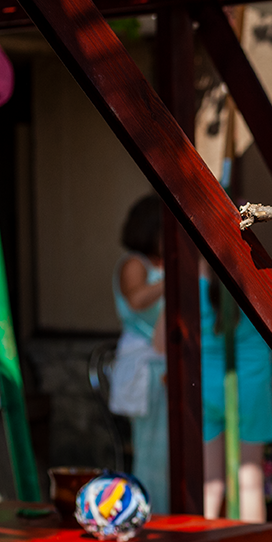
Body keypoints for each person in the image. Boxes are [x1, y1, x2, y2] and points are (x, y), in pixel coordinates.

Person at [200, 261, 272, 542]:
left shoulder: (198, 288)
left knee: (211, 482)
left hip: (207, 382)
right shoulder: (260, 283)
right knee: (249, 481)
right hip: (253, 382)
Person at [109, 194, 169, 508]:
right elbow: (136, 299)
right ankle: (151, 513)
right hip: (144, 364)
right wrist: (177, 270)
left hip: (167, 360)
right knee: (153, 453)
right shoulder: (135, 263)